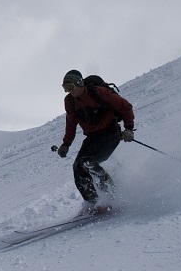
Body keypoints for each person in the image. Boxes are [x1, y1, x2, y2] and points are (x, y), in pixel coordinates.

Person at [56, 70, 135, 213]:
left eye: (71, 87)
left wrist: (129, 128)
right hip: (92, 137)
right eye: (65, 88)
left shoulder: (98, 93)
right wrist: (66, 144)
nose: (69, 91)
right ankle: (93, 202)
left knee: (88, 162)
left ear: (79, 83)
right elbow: (71, 123)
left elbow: (125, 106)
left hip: (110, 133)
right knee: (78, 167)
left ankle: (113, 196)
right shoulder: (70, 101)